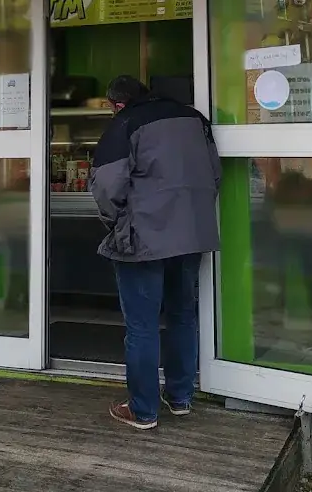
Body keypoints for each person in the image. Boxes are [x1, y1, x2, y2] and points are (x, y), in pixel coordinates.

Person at [90, 76, 221, 430]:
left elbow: (106, 184)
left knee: (142, 326)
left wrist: (117, 221)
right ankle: (179, 398)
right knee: (182, 315)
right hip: (192, 233)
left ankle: (143, 409)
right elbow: (215, 172)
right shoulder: (196, 120)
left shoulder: (126, 123)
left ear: (117, 103)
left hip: (144, 237)